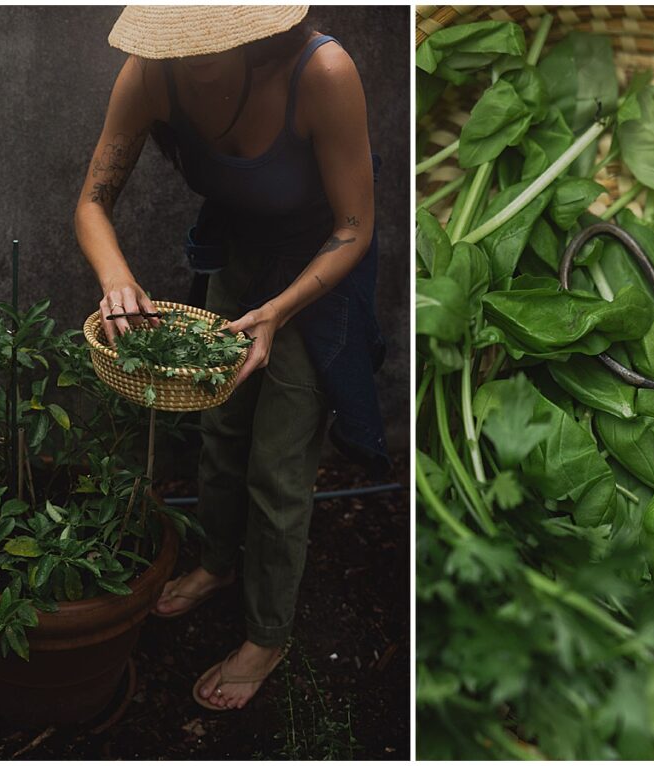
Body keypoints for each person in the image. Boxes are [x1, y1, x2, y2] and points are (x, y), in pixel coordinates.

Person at [74, 5, 388, 711]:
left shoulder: (323, 71)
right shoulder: (152, 75)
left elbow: (354, 228)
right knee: (219, 425)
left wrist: (278, 313)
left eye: (203, 49)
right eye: (175, 48)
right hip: (240, 255)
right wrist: (117, 278)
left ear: (255, 35)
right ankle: (217, 563)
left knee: (278, 463)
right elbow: (92, 203)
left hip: (316, 270)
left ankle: (268, 632)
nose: (186, 62)